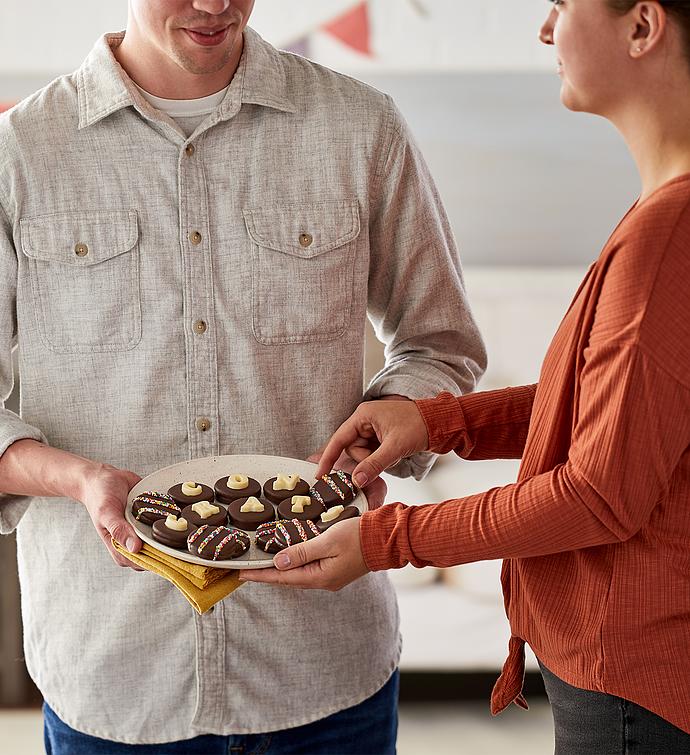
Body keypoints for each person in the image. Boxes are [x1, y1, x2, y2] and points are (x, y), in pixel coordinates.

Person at [0, 0, 487, 752]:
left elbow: (439, 342)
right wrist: (75, 477)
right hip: (114, 671)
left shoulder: (360, 127)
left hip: (324, 671)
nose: (213, 4)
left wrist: (388, 428)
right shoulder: (20, 151)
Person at [241, 1, 690, 752]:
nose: (546, 30)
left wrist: (388, 539)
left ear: (642, 27)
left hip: (636, 684)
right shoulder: (663, 218)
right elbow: (615, 409)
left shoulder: (664, 240)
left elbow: (597, 494)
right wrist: (442, 422)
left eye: (563, 5)